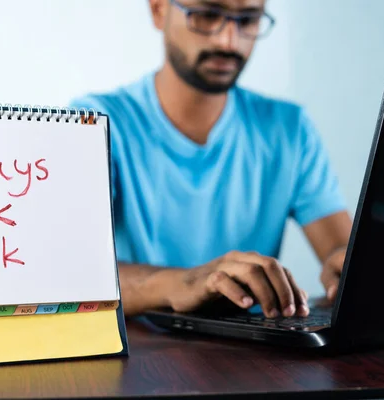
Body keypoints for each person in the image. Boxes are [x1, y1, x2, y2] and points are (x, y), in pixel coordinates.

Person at [70, 0, 352, 319]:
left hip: (253, 353)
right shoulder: (94, 122)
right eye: (206, 15)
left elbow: (341, 252)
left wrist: (345, 266)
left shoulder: (289, 128)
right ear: (158, 10)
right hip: (139, 354)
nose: (227, 41)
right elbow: (73, 270)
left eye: (247, 20)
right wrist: (187, 282)